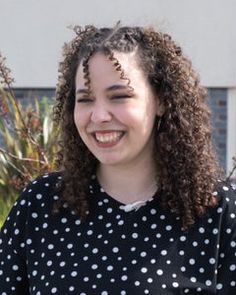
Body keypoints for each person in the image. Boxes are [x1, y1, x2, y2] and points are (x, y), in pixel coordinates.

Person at [0, 24, 235, 295]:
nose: (99, 115)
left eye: (119, 96)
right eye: (86, 99)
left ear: (161, 101)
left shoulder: (220, 212)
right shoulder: (40, 205)